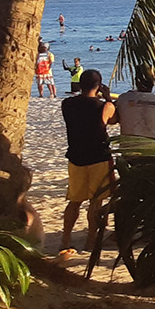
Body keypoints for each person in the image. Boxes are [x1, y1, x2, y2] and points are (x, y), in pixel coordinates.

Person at [59, 69, 115, 256]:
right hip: (98, 157)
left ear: (79, 85)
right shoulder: (104, 107)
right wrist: (108, 98)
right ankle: (90, 241)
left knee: (74, 201)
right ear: (98, 86)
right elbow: (114, 120)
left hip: (76, 156)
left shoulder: (67, 104)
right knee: (96, 202)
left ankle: (66, 238)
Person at [115, 69, 155, 139]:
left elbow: (115, 119)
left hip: (128, 146)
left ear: (136, 81)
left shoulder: (123, 98)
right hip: (154, 145)